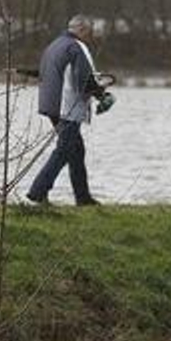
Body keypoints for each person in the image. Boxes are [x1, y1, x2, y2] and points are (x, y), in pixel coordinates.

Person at [25, 16, 101, 206]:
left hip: (50, 105)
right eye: (90, 32)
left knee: (76, 150)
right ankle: (38, 191)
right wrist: (101, 94)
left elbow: (45, 71)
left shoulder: (54, 45)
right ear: (82, 30)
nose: (91, 37)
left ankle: (83, 197)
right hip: (66, 107)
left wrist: (24, 71)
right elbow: (83, 79)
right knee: (64, 150)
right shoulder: (76, 47)